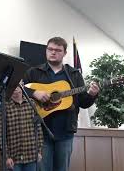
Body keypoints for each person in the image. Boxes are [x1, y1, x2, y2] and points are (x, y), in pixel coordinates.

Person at [24, 37, 100, 171]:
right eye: (50, 49)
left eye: (58, 50)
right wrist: (34, 92)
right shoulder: (34, 72)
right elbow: (18, 88)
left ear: (64, 53)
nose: (53, 52)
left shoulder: (74, 75)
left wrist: (92, 95)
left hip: (65, 131)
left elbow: (83, 102)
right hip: (41, 131)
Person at [0, 81, 43, 171]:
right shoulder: (4, 106)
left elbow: (38, 129)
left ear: (22, 86)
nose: (16, 89)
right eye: (12, 86)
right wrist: (6, 157)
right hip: (14, 158)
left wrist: (39, 151)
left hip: (31, 156)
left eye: (18, 85)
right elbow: (0, 134)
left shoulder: (31, 103)